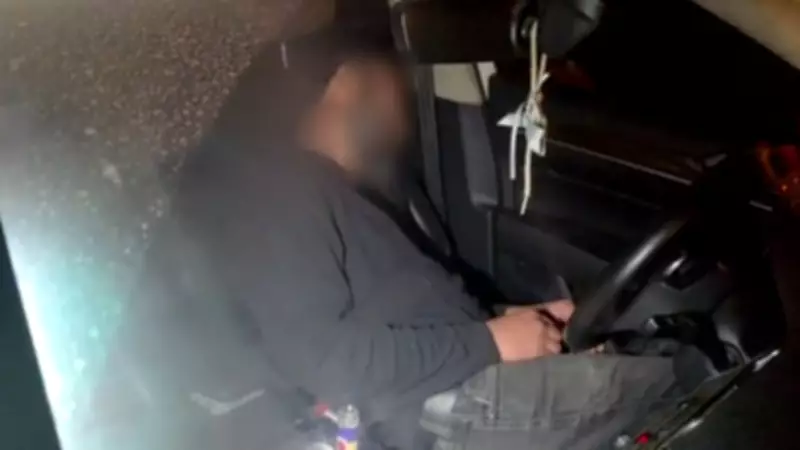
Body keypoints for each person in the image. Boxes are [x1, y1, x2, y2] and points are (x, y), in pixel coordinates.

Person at [96, 28, 681, 450]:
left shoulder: (334, 193)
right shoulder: (279, 189)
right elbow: (328, 362)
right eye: (387, 74)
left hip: (464, 383)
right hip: (450, 408)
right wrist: (490, 343)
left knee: (660, 357)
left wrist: (520, 320)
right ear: (345, 83)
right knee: (682, 379)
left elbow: (402, 313)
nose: (402, 92)